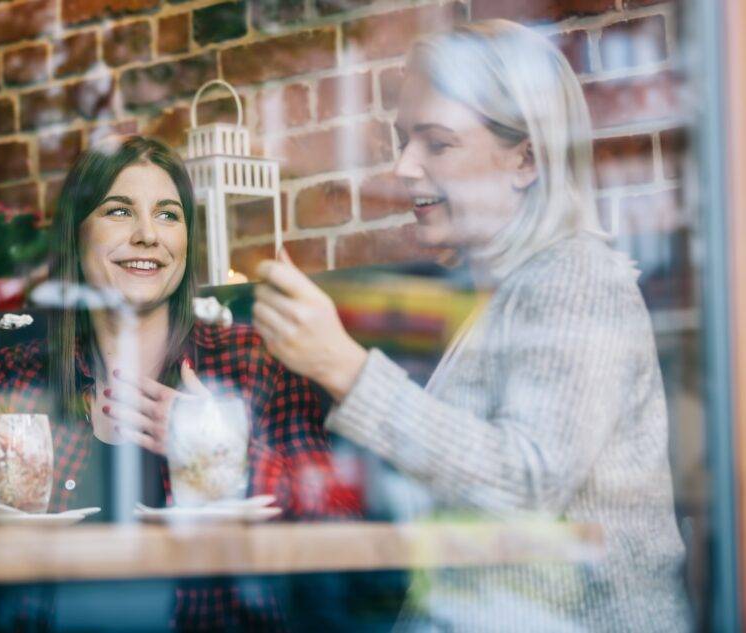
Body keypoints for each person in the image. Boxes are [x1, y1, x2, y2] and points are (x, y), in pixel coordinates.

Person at [252, 19, 690, 632]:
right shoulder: (509, 289)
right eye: (404, 140)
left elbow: (525, 482)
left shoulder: (576, 277)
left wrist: (345, 369)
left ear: (526, 159)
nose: (404, 167)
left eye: (437, 143)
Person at [0, 135, 360, 630]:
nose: (148, 234)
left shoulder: (250, 364)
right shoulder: (20, 374)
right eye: (119, 210)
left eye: (168, 215)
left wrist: (218, 452)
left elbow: (341, 536)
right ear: (76, 233)